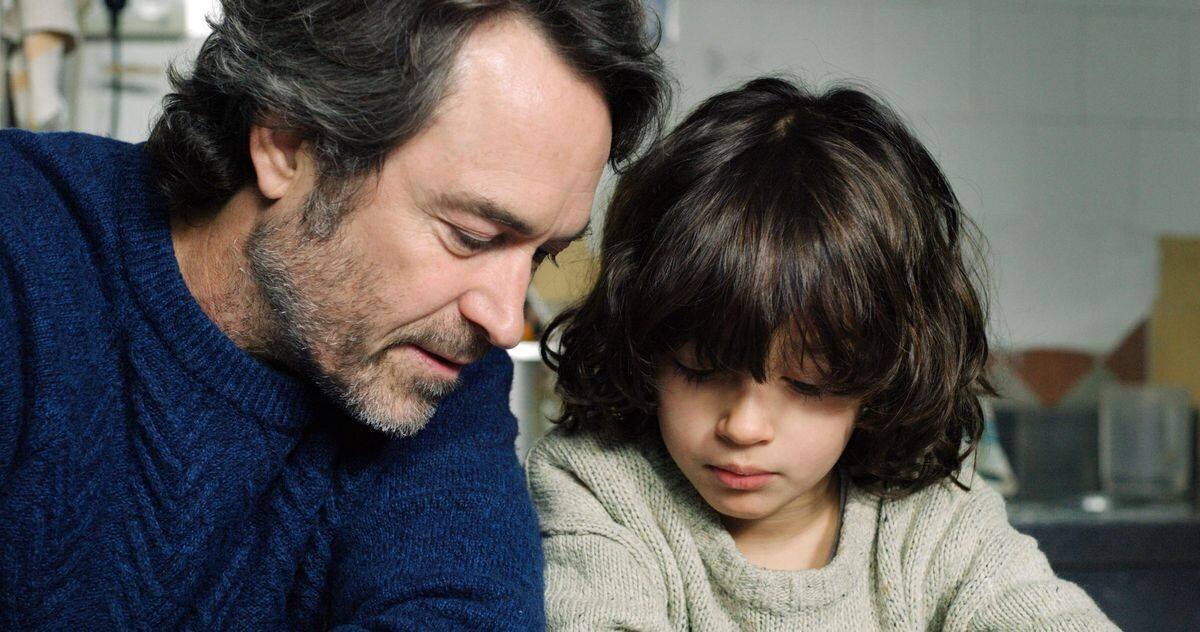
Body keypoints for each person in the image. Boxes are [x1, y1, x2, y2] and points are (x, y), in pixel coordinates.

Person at [0, 0, 666, 628]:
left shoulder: (433, 358)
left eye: (542, 255)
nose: (501, 320)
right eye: (471, 235)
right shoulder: (21, 248)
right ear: (287, 142)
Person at [527, 77, 1116, 630]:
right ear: (645, 343)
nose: (744, 426)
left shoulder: (931, 519)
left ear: (885, 377)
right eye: (701, 369)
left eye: (807, 385)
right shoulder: (598, 487)